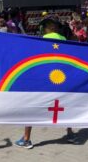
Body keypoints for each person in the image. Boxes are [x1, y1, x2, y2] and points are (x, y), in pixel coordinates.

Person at [15, 15, 78, 148]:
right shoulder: (65, 40)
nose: (43, 29)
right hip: (61, 79)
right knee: (64, 105)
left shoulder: (42, 41)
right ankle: (70, 133)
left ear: (51, 27)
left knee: (32, 107)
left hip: (43, 79)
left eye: (45, 26)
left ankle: (26, 138)